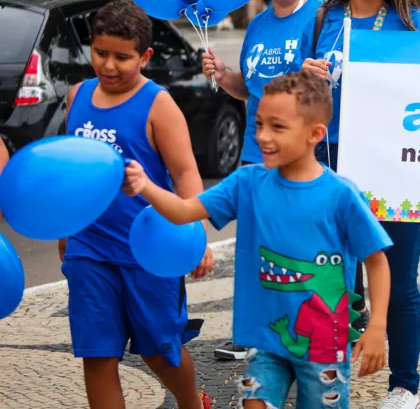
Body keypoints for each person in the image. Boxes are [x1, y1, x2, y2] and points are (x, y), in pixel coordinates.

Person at [123, 72, 392, 409]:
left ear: (315, 134)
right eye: (260, 123)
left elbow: (377, 261)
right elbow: (183, 211)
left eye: (277, 127)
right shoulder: (247, 183)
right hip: (265, 337)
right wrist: (145, 185)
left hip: (325, 345)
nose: (263, 136)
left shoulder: (341, 195)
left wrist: (378, 325)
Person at [301, 0, 420, 409]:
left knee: (398, 281)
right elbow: (297, 101)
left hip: (399, 172)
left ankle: (404, 386)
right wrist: (306, 75)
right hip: (332, 171)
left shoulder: (416, 23)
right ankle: (328, 378)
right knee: (333, 282)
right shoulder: (323, 19)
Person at [60, 0, 213, 409]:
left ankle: (191, 403)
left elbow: (184, 174)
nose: (109, 66)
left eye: (121, 57)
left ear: (144, 56)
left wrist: (195, 236)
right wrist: (64, 229)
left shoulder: (158, 103)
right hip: (88, 248)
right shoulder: (78, 95)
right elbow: (70, 172)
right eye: (100, 53)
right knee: (98, 355)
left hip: (150, 251)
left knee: (159, 350)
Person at [201, 0, 323, 361]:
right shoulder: (257, 24)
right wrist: (223, 74)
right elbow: (247, 89)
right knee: (255, 244)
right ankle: (252, 333)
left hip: (300, 152)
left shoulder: (320, 15)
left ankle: (308, 331)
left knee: (299, 244)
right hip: (256, 152)